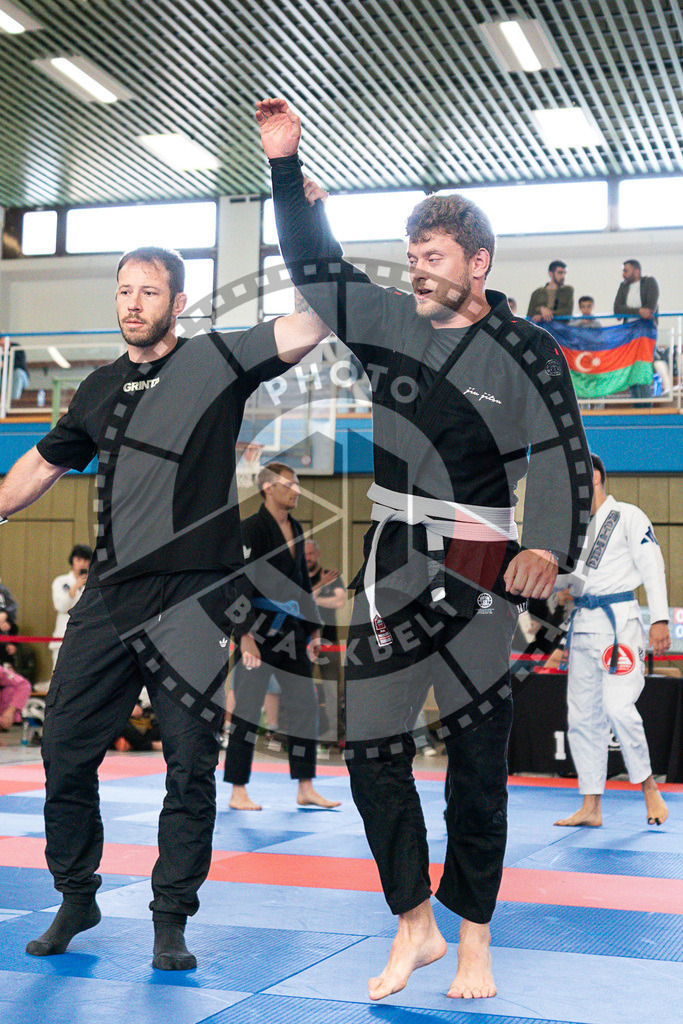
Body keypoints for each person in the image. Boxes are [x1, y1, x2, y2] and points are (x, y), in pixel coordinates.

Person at [258, 97, 592, 1001]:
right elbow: (316, 268)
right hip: (392, 555)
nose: (416, 269)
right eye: (410, 257)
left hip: (483, 557)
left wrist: (550, 550)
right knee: (370, 744)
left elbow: (563, 456)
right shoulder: (392, 326)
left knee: (478, 763)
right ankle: (415, 924)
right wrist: (286, 172)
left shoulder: (526, 348)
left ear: (477, 264)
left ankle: (474, 934)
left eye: (432, 256)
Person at [0, 244, 328, 970]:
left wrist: (300, 210)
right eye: (124, 290)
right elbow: (41, 464)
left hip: (193, 598)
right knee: (63, 747)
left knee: (189, 763)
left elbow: (306, 327)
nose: (133, 302)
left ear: (176, 303)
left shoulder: (214, 362)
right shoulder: (96, 389)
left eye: (149, 291)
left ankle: (170, 916)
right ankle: (76, 893)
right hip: (111, 595)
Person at [554, 453, 670, 829]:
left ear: (598, 476)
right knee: (583, 719)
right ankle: (591, 805)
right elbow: (563, 583)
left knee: (619, 707)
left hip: (619, 626)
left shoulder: (629, 516)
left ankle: (650, 787)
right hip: (583, 624)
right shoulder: (571, 527)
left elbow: (652, 566)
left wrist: (661, 619)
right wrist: (562, 592)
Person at [223, 463, 340, 811]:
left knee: (305, 706)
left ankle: (305, 786)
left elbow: (303, 582)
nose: (297, 490)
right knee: (246, 709)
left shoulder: (297, 529)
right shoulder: (251, 529)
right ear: (268, 488)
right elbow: (237, 584)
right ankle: (238, 790)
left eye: (298, 484)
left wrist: (314, 627)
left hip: (291, 631)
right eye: (289, 484)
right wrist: (243, 634)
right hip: (257, 631)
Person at [304, 538, 347, 744]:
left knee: (332, 689)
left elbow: (340, 601)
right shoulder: (297, 576)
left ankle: (334, 735)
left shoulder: (332, 576)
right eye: (304, 554)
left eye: (311, 553)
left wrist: (313, 597)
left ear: (318, 554)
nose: (308, 558)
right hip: (302, 641)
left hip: (329, 642)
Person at [613, 260, 662, 400]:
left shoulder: (650, 282)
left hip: (645, 332)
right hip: (629, 333)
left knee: (643, 368)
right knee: (632, 369)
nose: (623, 274)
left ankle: (646, 405)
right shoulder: (623, 287)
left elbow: (650, 308)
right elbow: (617, 309)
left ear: (636, 271)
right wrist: (638, 311)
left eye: (626, 271)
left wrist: (633, 311)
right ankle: (637, 404)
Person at [49, 544, 92, 672]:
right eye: (78, 560)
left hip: (86, 637)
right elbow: (61, 606)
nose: (82, 564)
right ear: (72, 560)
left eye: (86, 561)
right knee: (59, 675)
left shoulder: (94, 584)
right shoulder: (61, 581)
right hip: (63, 635)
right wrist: (74, 587)